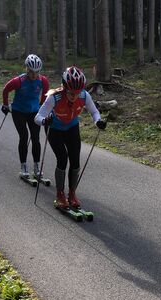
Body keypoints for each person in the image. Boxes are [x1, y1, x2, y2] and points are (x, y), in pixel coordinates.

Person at [34, 66, 106, 209]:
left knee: (75, 160)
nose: (75, 96)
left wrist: (98, 122)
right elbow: (38, 117)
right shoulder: (54, 97)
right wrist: (44, 121)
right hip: (54, 128)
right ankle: (60, 194)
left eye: (77, 93)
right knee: (62, 158)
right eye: (71, 93)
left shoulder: (84, 95)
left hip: (72, 127)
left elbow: (94, 112)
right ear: (65, 88)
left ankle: (72, 193)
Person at [2, 54, 49, 179]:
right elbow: (6, 90)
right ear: (27, 69)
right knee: (24, 137)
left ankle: (36, 166)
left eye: (36, 72)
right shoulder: (18, 81)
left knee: (36, 138)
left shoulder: (43, 81)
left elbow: (45, 96)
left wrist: (42, 109)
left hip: (34, 112)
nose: (34, 75)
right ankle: (23, 166)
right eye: (31, 72)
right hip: (19, 112)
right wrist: (5, 105)